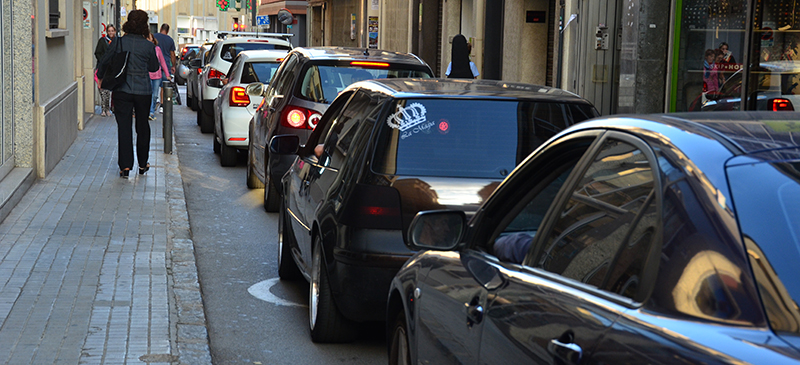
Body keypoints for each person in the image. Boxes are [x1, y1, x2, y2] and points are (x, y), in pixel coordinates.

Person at [96, 10, 160, 178]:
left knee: (124, 128)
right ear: (144, 25)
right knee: (142, 127)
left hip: (122, 90)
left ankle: (125, 166)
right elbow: (154, 68)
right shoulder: (148, 45)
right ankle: (143, 163)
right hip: (143, 91)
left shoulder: (118, 42)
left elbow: (104, 61)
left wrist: (101, 78)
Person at [147, 33, 171, 120]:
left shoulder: (157, 49)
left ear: (153, 40)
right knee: (148, 94)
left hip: (157, 75)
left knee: (155, 95)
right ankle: (147, 111)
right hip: (147, 75)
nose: (149, 40)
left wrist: (167, 74)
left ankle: (151, 112)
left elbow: (163, 62)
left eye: (150, 38)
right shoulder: (144, 49)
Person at [94, 25, 117, 117]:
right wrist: (103, 61)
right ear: (107, 32)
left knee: (108, 92)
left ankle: (108, 109)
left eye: (112, 31)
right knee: (103, 91)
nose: (111, 33)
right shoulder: (102, 41)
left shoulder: (116, 42)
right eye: (109, 31)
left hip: (111, 70)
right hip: (102, 69)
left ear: (115, 31)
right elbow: (97, 53)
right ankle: (104, 110)